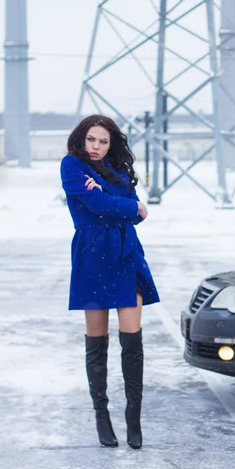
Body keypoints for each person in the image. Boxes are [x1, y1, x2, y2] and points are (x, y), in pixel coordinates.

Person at [60, 115, 160, 450]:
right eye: (91, 140)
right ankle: (102, 418)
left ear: (111, 142)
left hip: (125, 252)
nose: (97, 147)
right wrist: (130, 205)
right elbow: (99, 205)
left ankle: (134, 419)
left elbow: (121, 210)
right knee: (97, 339)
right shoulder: (71, 166)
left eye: (103, 141)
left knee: (132, 339)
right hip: (91, 254)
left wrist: (117, 202)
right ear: (81, 139)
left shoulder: (117, 168)